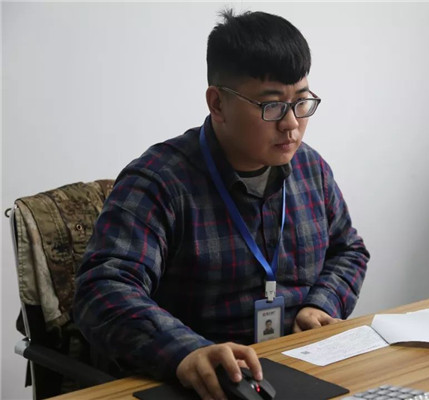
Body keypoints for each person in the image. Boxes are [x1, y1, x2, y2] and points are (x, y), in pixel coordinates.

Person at [73, 9, 369, 400]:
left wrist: (320, 304)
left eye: (302, 102)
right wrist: (186, 350)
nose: (291, 125)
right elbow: (102, 289)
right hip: (206, 384)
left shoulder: (310, 169)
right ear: (217, 103)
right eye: (272, 106)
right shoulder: (159, 181)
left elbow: (348, 250)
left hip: (300, 369)